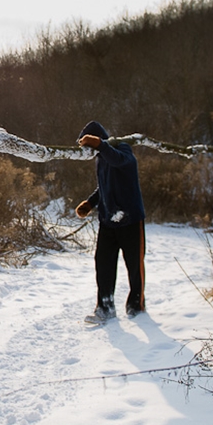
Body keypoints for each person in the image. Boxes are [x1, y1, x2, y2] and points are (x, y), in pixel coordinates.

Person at [75, 121, 146, 323]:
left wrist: (100, 145)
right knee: (103, 264)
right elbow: (104, 187)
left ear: (99, 140)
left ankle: (136, 305)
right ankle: (105, 306)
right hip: (108, 220)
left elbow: (121, 161)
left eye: (91, 147)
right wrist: (90, 203)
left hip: (130, 219)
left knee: (134, 265)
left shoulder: (122, 149)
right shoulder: (100, 158)